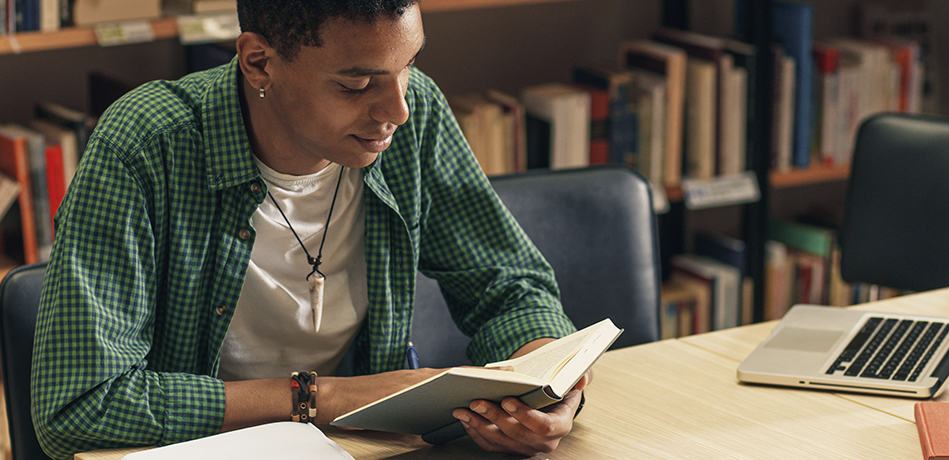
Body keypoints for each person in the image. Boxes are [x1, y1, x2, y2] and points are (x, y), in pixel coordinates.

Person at [30, 0, 586, 456]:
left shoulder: (415, 116)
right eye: (357, 84)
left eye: (408, 66)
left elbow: (509, 288)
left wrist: (547, 384)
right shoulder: (146, 148)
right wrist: (320, 398)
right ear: (258, 63)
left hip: (354, 447)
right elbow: (80, 407)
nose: (398, 109)